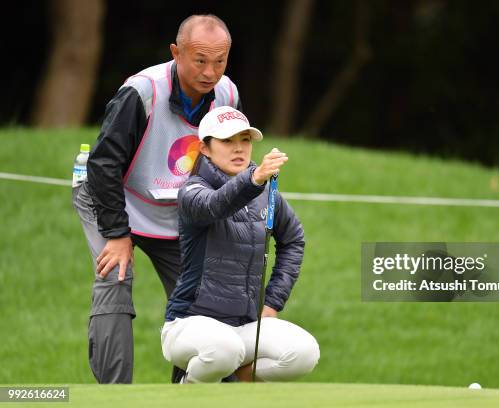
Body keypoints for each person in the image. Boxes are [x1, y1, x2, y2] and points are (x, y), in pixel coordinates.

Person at [72, 14, 241, 383]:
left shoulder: (228, 95)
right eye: (200, 60)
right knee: (115, 278)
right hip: (111, 194)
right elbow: (104, 164)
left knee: (201, 296)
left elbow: (223, 164)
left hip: (173, 207)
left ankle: (189, 389)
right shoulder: (142, 91)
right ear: (176, 53)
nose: (210, 72)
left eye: (220, 61)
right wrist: (117, 234)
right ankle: (115, 398)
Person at [161, 106, 320, 383]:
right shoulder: (192, 191)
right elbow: (215, 206)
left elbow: (293, 239)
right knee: (224, 349)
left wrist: (272, 302)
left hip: (245, 327)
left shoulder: (264, 192)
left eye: (244, 140)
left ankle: (236, 384)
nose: (239, 148)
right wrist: (255, 179)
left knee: (303, 352)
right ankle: (187, 393)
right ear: (205, 148)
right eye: (227, 141)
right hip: (188, 324)